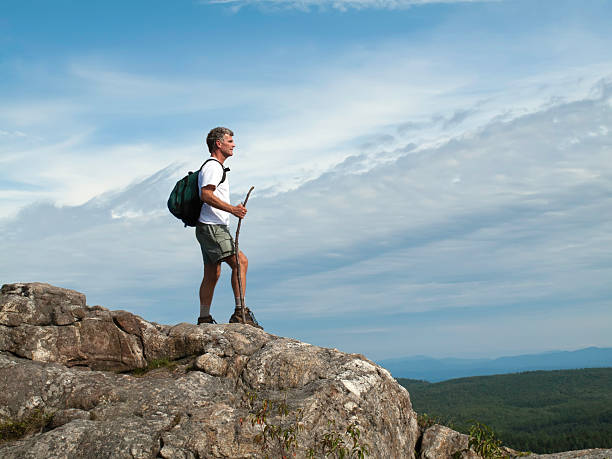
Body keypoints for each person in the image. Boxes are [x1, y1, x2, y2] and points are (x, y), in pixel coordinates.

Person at [195, 127, 261, 329]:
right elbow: (205, 195)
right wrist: (232, 209)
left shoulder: (215, 167)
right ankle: (240, 313)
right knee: (240, 262)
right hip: (212, 226)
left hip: (209, 226)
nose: (234, 145)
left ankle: (204, 318)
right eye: (230, 141)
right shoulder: (213, 167)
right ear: (218, 144)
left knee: (212, 272)